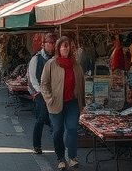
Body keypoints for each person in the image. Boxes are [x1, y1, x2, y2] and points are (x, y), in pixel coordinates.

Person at [40, 36, 86, 170]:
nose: (66, 48)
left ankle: (72, 157)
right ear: (58, 48)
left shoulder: (76, 65)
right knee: (58, 131)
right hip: (56, 102)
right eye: (63, 46)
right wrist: (49, 99)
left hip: (72, 102)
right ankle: (60, 158)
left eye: (68, 46)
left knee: (72, 128)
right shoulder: (51, 64)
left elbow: (81, 84)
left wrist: (82, 103)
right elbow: (44, 84)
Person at [29, 33, 56, 155]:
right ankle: (37, 145)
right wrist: (40, 91)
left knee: (54, 119)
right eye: (49, 43)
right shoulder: (36, 58)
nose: (52, 45)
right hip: (40, 93)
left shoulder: (55, 58)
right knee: (41, 117)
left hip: (54, 93)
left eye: (53, 43)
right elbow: (33, 78)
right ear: (44, 44)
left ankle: (58, 146)